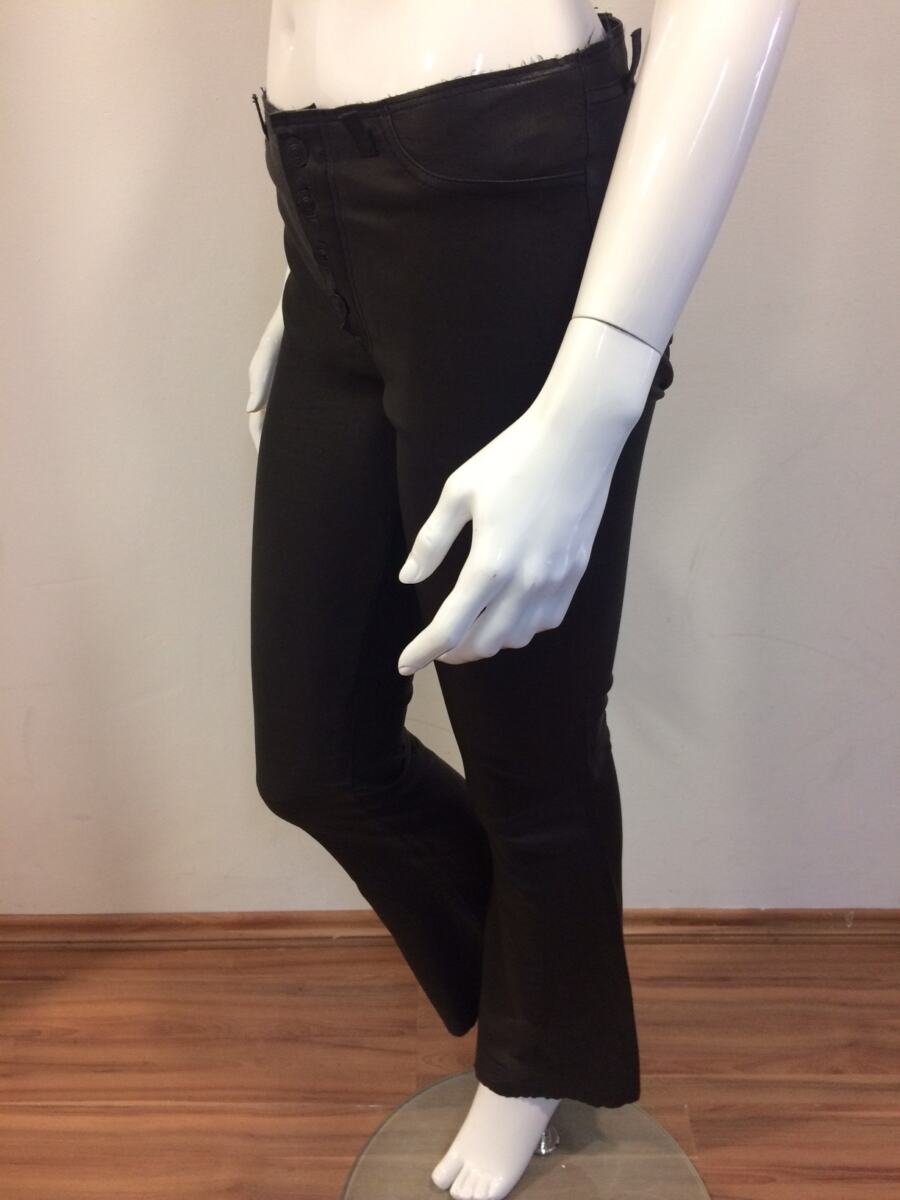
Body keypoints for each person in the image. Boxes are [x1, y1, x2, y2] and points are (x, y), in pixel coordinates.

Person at [246, 2, 799, 1196]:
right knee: (314, 758)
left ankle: (532, 1059)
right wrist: (319, 269)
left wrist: (604, 378)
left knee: (528, 752)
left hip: (500, 182)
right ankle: (547, 1003)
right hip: (321, 216)